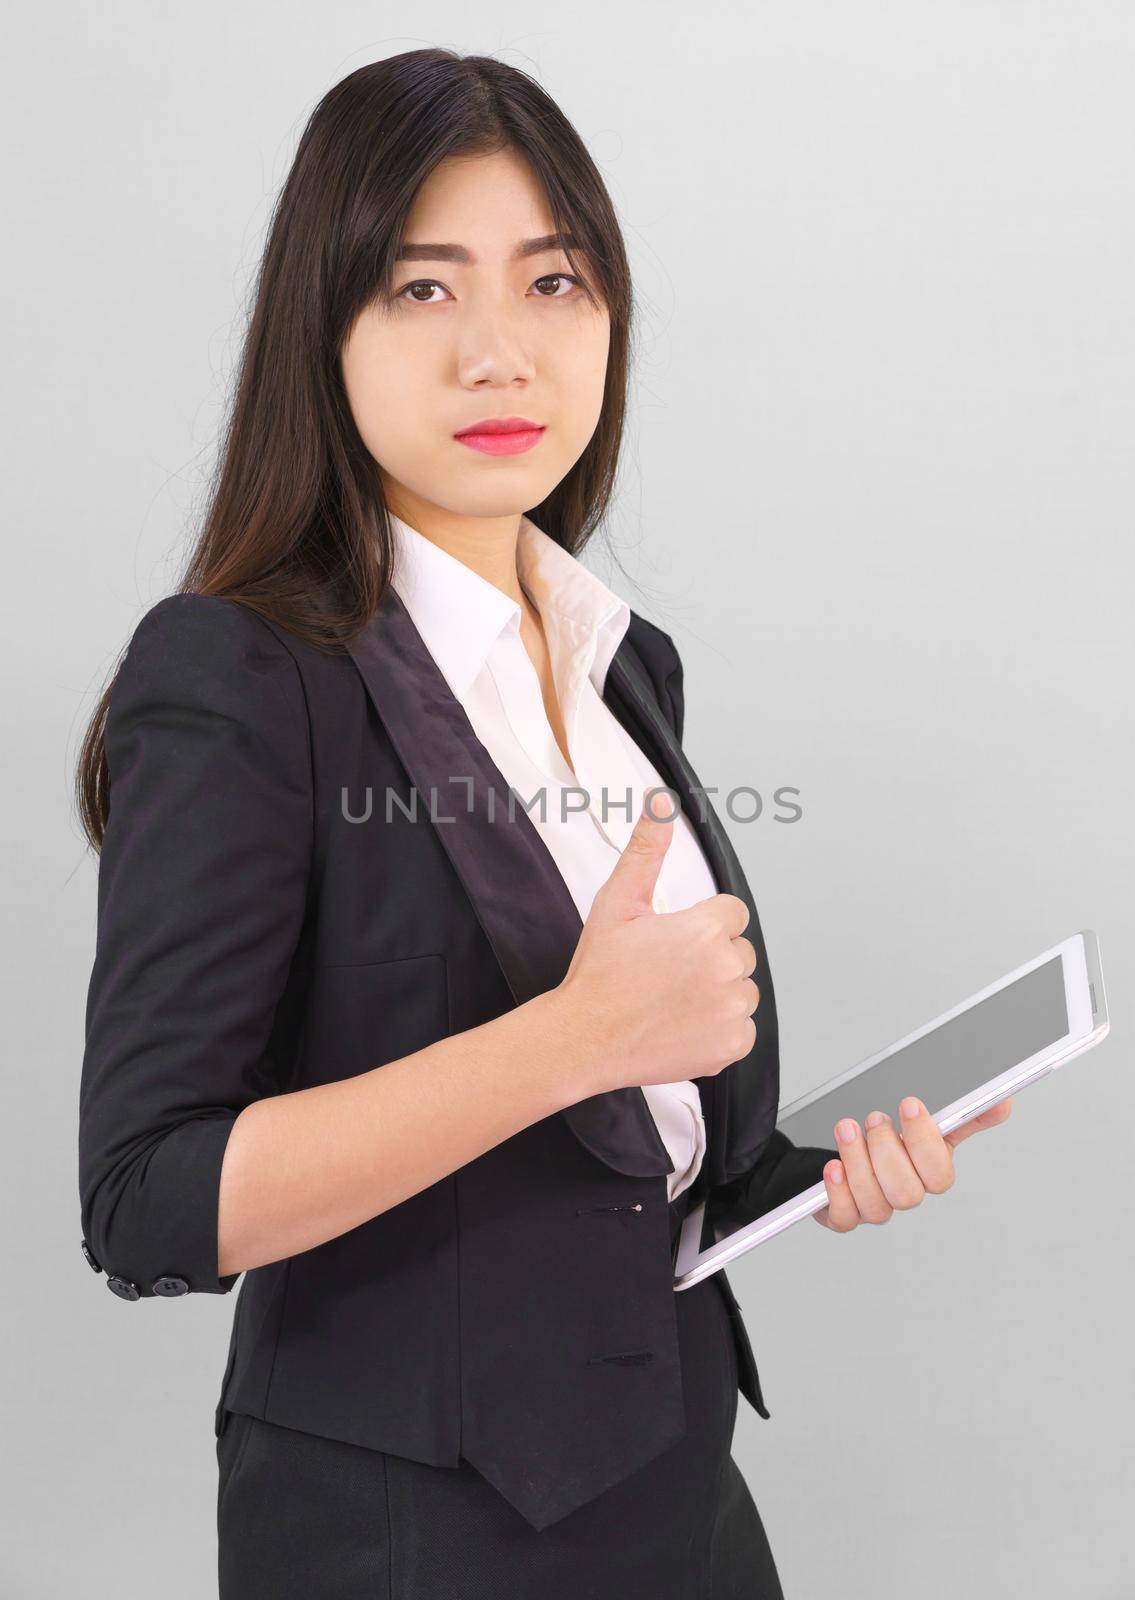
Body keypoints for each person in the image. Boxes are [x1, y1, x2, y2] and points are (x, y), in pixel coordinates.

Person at [74, 49, 1011, 1600]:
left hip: (680, 1488)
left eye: (554, 282)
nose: (499, 355)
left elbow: (613, 1145)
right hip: (411, 1535)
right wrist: (570, 1040)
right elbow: (150, 1202)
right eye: (423, 291)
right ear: (326, 329)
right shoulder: (240, 670)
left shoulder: (621, 660)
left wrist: (803, 1168)